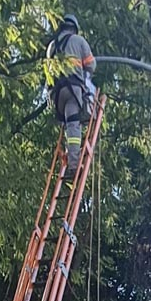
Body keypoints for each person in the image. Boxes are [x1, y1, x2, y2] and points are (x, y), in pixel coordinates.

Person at [45, 14, 96, 178]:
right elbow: (91, 65)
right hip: (73, 90)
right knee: (74, 127)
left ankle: (68, 156)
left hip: (57, 95)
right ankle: (73, 166)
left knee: (69, 125)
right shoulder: (78, 41)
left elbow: (48, 74)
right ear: (74, 28)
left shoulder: (52, 46)